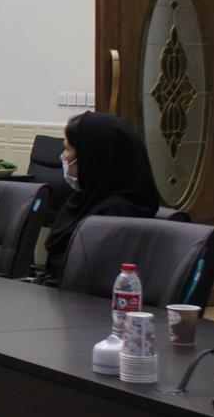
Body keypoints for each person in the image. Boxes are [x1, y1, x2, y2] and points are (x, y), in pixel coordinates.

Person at [41, 111, 160, 286]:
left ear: (93, 155)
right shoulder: (83, 200)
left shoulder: (116, 216)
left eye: (68, 149)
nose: (63, 157)